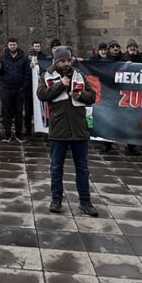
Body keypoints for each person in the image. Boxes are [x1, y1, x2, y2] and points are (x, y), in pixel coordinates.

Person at [37, 46, 99, 217]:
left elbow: (92, 96)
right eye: (62, 61)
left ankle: (85, 201)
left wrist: (81, 96)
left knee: (82, 168)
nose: (66, 64)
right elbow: (42, 94)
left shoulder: (79, 75)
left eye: (68, 60)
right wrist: (60, 85)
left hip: (79, 128)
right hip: (59, 129)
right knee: (56, 166)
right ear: (56, 61)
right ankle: (56, 199)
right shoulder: (47, 76)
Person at [0, 38, 28, 142]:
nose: (12, 46)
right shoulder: (3, 57)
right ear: (8, 45)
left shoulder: (23, 57)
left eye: (14, 44)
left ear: (17, 45)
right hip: (6, 88)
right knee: (6, 113)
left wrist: (23, 85)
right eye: (10, 45)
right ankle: (7, 134)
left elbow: (27, 73)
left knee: (19, 113)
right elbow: (0, 73)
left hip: (19, 89)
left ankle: (19, 134)